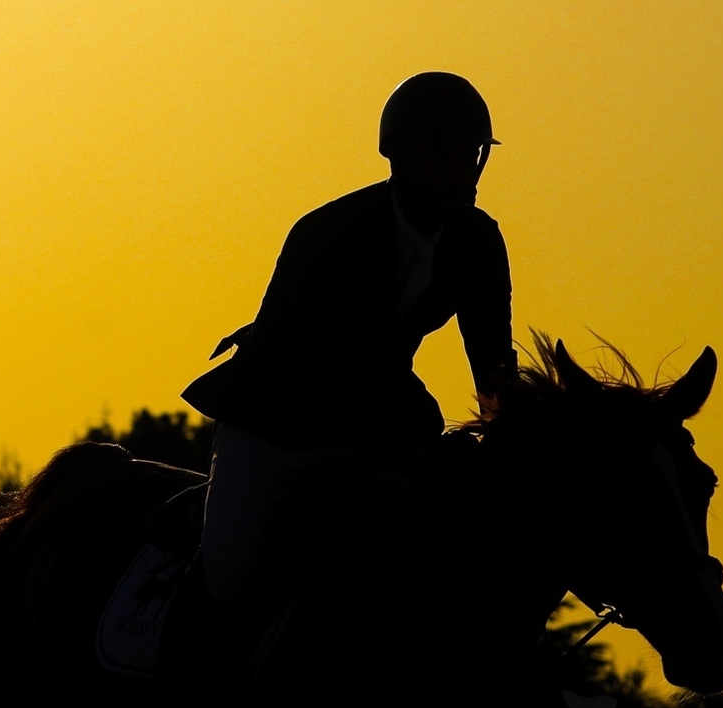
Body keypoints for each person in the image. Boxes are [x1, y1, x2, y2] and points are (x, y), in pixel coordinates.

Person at [182, 72, 515, 601]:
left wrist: (514, 440)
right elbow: (329, 358)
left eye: (470, 154)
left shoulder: (479, 240)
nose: (461, 170)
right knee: (228, 574)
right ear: (399, 156)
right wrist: (415, 425)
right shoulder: (328, 232)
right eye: (443, 154)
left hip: (375, 424)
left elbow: (492, 358)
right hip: (277, 424)